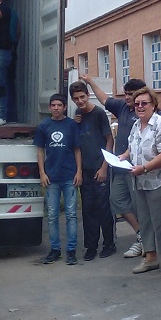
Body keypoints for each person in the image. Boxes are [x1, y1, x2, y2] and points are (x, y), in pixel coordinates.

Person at [80, 74, 145, 258]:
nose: (127, 97)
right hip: (119, 167)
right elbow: (104, 99)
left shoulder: (148, 111)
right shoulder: (122, 107)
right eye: (125, 94)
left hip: (139, 168)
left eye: (130, 94)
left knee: (140, 206)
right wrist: (91, 81)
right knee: (116, 202)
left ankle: (147, 241)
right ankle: (141, 234)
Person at [119, 86, 161, 274]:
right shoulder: (136, 124)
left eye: (144, 103)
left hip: (158, 180)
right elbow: (133, 146)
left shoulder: (160, 123)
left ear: (154, 105)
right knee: (145, 220)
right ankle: (150, 258)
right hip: (138, 180)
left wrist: (145, 168)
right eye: (137, 104)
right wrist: (123, 157)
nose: (140, 107)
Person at [69, 81, 117, 261]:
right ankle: (91, 246)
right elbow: (77, 145)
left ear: (88, 95)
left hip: (100, 168)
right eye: (76, 99)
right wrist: (79, 170)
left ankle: (109, 244)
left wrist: (104, 167)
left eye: (82, 97)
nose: (80, 101)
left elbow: (109, 140)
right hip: (86, 169)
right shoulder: (77, 115)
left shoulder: (98, 113)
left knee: (103, 208)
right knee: (88, 209)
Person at [34, 94, 82, 266]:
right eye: (53, 105)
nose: (55, 108)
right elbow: (40, 150)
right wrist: (42, 172)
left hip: (69, 176)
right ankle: (55, 250)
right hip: (51, 177)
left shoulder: (71, 125)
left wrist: (79, 171)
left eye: (59, 105)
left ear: (63, 107)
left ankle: (71, 251)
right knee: (52, 216)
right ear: (49, 108)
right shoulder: (44, 126)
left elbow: (77, 150)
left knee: (71, 215)